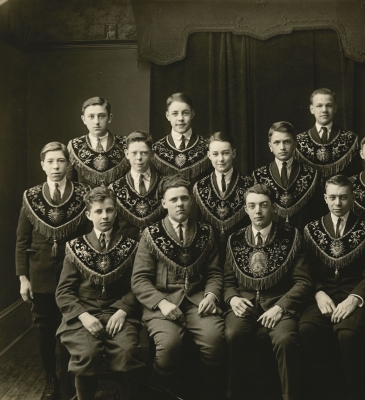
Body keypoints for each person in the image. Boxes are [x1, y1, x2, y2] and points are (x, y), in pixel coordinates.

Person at [131, 174, 225, 398]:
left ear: (191, 201)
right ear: (163, 203)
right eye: (173, 200)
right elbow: (139, 279)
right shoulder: (151, 234)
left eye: (184, 198)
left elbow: (214, 273)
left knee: (215, 340)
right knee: (169, 346)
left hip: (197, 301)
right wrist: (162, 304)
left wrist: (211, 296)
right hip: (162, 304)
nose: (180, 204)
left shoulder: (205, 232)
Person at [299, 175, 365, 400]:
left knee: (347, 333)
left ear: (352, 198)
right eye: (333, 198)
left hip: (354, 296)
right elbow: (305, 270)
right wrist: (318, 293)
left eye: (344, 198)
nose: (338, 203)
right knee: (307, 327)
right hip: (322, 296)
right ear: (325, 198)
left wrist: (354, 298)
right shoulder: (312, 229)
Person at [16, 142, 90, 400]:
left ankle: (70, 380)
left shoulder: (82, 194)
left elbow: (87, 238)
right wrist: (24, 278)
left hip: (73, 276)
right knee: (46, 329)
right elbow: (22, 241)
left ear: (69, 164)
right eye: (51, 162)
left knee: (70, 327)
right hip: (41, 275)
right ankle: (51, 380)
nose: (56, 167)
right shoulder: (31, 196)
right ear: (42, 165)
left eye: (61, 161)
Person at [224, 183, 313, 400]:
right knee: (231, 335)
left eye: (263, 205)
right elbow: (227, 280)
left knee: (285, 340)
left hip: (278, 304)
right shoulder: (235, 239)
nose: (258, 211)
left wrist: (281, 307)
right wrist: (232, 298)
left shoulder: (291, 235)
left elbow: (304, 282)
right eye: (252, 206)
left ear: (273, 207)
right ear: (245, 209)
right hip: (244, 304)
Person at [56, 186, 144, 400]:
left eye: (110, 210)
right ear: (88, 214)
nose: (105, 216)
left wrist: (123, 311)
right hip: (83, 315)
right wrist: (84, 316)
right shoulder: (75, 246)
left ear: (116, 212)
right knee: (88, 354)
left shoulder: (131, 246)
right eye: (98, 211)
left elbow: (137, 285)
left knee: (126, 353)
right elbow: (64, 292)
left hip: (118, 314)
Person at [253, 121, 318, 231]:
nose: (282, 147)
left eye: (287, 142)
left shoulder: (311, 173)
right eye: (277, 143)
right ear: (270, 146)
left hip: (302, 233)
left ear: (295, 144)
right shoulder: (259, 175)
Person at [193, 131, 253, 244]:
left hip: (240, 245)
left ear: (233, 153)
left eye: (225, 153)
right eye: (215, 154)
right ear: (209, 155)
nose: (220, 159)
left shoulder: (248, 184)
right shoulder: (200, 187)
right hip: (209, 248)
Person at [109, 131, 165, 241]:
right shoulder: (115, 188)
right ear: (126, 154)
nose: (139, 158)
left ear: (151, 154)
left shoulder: (164, 184)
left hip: (158, 246)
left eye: (144, 153)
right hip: (126, 248)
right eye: (134, 153)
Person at [295, 88, 361, 179]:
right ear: (312, 109)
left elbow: (356, 177)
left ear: (335, 108)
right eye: (319, 106)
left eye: (329, 105)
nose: (324, 110)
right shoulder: (298, 141)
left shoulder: (350, 139)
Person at [67, 97, 128, 187]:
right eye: (91, 116)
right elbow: (69, 183)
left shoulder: (125, 143)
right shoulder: (74, 145)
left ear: (109, 118)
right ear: (84, 119)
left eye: (101, 116)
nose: (96, 122)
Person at [152, 92, 210, 180]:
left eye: (185, 113)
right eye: (175, 113)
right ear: (168, 116)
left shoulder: (207, 147)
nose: (180, 118)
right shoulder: (156, 149)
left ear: (192, 114)